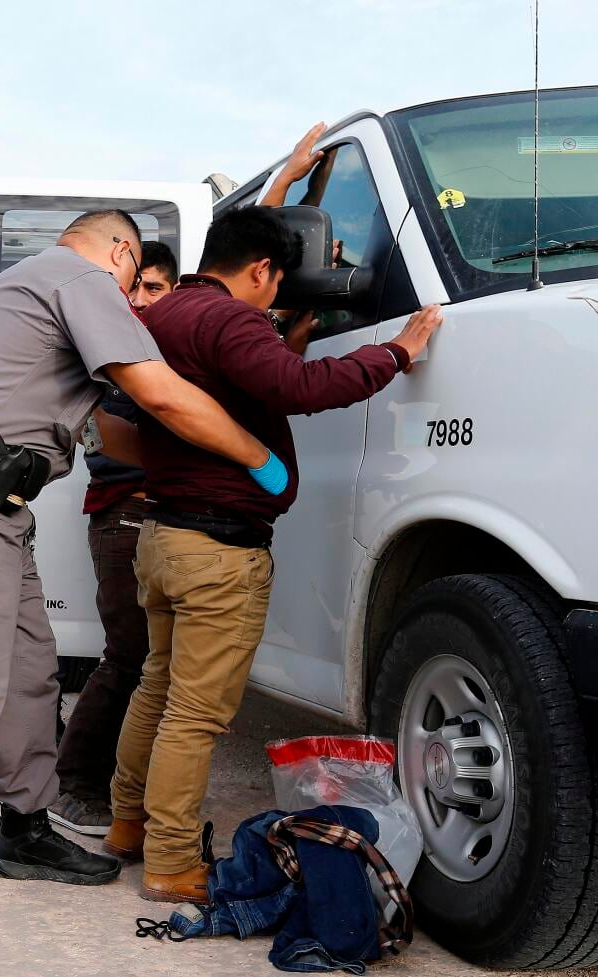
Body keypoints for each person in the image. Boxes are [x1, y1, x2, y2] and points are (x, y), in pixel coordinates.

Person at [0, 209, 293, 939]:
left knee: (29, 672)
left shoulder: (42, 284)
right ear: (118, 253)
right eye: (137, 282)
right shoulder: (77, 277)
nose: (137, 301)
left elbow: (115, 423)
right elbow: (158, 393)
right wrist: (256, 457)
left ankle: (24, 826)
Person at [104, 206, 443, 904]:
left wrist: (283, 338)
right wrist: (398, 351)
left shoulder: (159, 316)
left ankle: (127, 825)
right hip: (217, 550)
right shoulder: (229, 319)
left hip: (163, 536)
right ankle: (170, 862)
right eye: (275, 283)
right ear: (261, 268)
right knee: (195, 713)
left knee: (158, 688)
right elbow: (300, 388)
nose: (273, 297)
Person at [48, 240, 178, 837]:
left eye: (155, 288)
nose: (139, 299)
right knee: (127, 657)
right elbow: (104, 437)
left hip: (172, 521)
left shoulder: (169, 354)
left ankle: (131, 782)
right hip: (123, 515)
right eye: (134, 287)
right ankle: (72, 784)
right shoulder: (106, 359)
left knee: (159, 664)